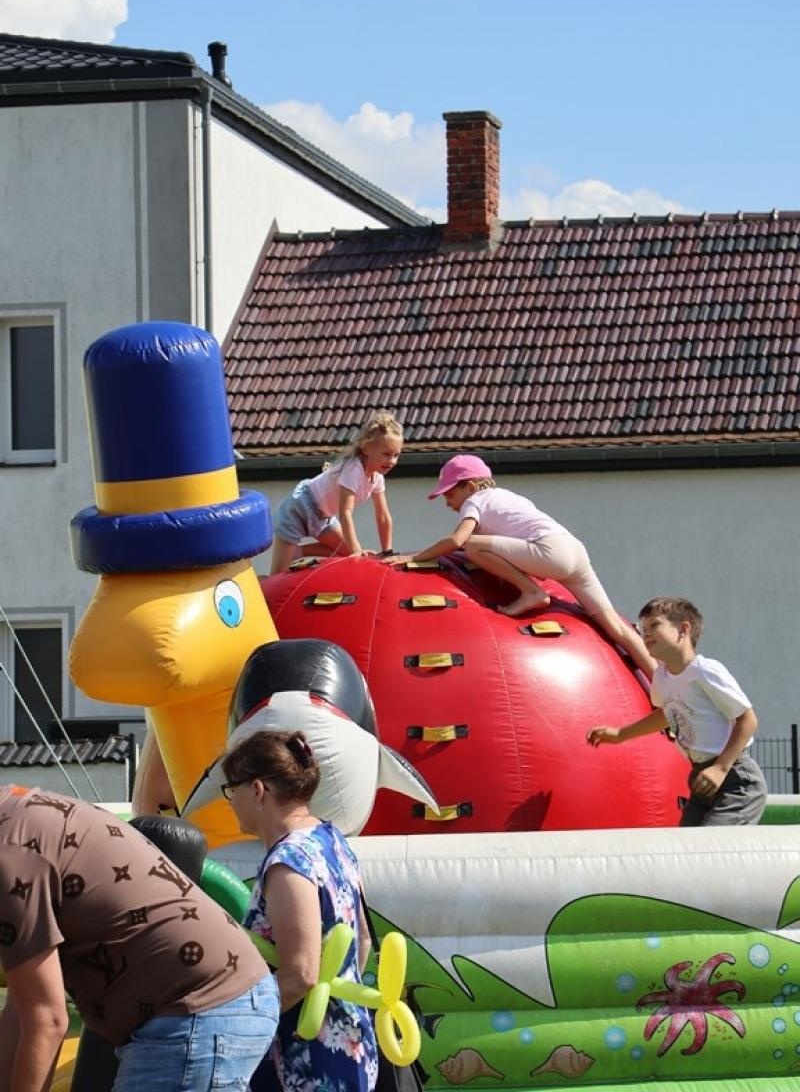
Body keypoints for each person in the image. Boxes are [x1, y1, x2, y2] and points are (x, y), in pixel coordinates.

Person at [0, 784, 279, 1092]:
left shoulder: (9, 857)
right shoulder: (21, 815)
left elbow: (47, 1022)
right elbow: (21, 1009)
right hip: (219, 1001)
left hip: (196, 1011)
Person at [382, 453, 655, 677]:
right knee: (617, 628)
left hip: (549, 551)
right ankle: (665, 691)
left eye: (450, 495)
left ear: (471, 486)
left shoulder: (475, 500)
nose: (448, 503)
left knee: (473, 544)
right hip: (573, 551)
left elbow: (458, 539)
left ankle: (532, 592)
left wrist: (415, 557)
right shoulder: (509, 496)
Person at [221, 729, 378, 1092]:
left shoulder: (288, 863)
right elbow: (364, 940)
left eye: (232, 790)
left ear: (258, 790)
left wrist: (234, 1020)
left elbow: (300, 974)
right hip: (350, 1040)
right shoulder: (331, 840)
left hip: (307, 1058)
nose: (230, 802)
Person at [586, 596, 768, 826]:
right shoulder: (662, 678)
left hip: (735, 777)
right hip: (701, 776)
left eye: (654, 625)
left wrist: (721, 768)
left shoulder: (704, 671)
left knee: (711, 848)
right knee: (686, 846)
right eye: (643, 629)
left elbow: (747, 719)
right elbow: (667, 715)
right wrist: (621, 734)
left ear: (683, 630)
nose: (646, 634)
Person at [270, 412, 402, 574]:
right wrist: (356, 550)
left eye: (396, 455)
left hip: (323, 517)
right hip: (300, 508)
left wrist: (386, 553)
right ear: (366, 448)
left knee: (344, 553)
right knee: (277, 575)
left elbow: (383, 516)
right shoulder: (354, 469)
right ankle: (262, 582)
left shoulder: (377, 478)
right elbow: (345, 512)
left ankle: (298, 552)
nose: (392, 461)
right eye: (386, 454)